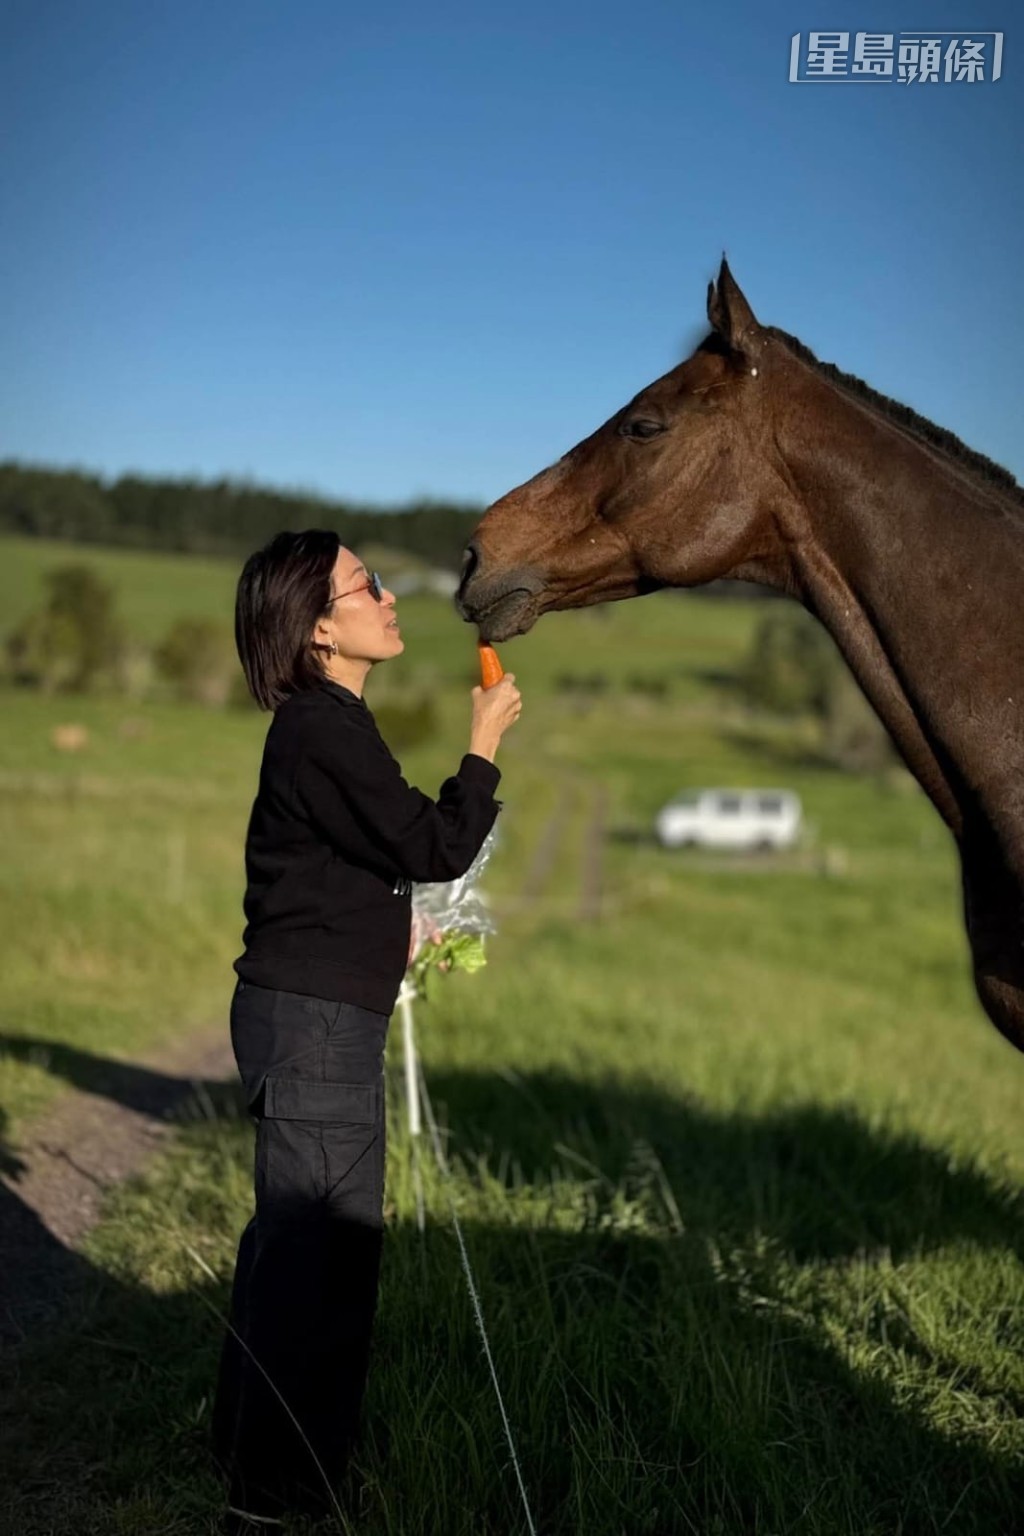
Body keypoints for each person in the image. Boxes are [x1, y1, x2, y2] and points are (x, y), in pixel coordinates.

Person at [211, 529, 520, 1531]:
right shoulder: (323, 729)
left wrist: (396, 925)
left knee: (294, 1251)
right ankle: (282, 1500)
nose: (389, 597)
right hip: (310, 1032)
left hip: (307, 1020)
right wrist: (483, 747)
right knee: (322, 1261)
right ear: (314, 630)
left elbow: (353, 866)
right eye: (365, 585)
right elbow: (432, 840)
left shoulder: (324, 728)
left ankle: (249, 1462)